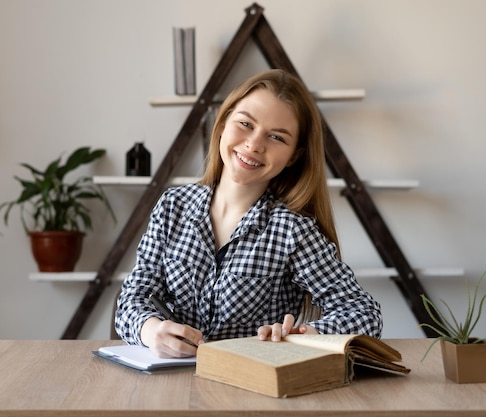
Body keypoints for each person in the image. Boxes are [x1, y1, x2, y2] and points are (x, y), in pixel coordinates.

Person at [115, 69, 383, 358]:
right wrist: (150, 330)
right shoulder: (172, 207)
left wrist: (305, 337)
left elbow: (364, 313)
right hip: (169, 386)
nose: (254, 144)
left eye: (277, 137)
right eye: (245, 123)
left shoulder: (292, 230)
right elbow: (132, 298)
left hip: (253, 391)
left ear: (294, 155)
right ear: (223, 121)